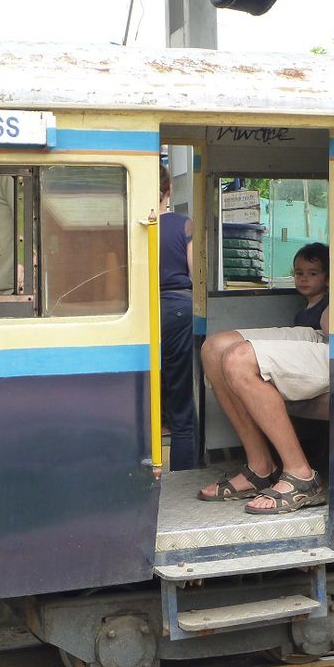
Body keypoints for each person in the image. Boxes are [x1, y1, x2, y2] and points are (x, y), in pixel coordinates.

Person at [197, 242, 330, 514]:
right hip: (323, 332)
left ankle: (302, 476)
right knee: (214, 348)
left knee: (238, 359)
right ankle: (260, 466)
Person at [159, 163, 197, 471]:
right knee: (181, 395)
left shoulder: (125, 227)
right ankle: (183, 472)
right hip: (179, 310)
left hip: (142, 314)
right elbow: (196, 271)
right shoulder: (184, 225)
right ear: (168, 191)